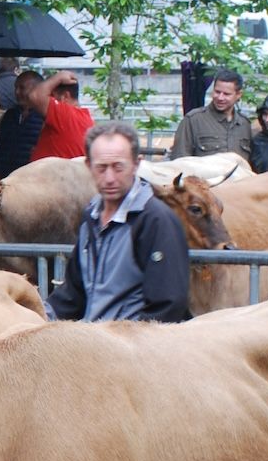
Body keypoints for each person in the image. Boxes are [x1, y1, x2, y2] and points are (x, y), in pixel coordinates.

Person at [48, 121, 191, 324]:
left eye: (118, 167)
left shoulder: (156, 220)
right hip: (95, 342)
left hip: (135, 348)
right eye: (101, 168)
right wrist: (36, 317)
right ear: (88, 166)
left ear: (136, 164)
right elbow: (72, 296)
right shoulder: (91, 217)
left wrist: (124, 348)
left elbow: (168, 304)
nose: (109, 178)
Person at [168, 69, 253, 160]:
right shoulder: (194, 120)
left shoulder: (245, 125)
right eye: (217, 92)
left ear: (238, 95)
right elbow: (179, 160)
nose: (220, 98)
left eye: (226, 94)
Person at [27, 69, 95, 163]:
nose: (48, 101)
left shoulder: (65, 115)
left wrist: (59, 76)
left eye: (51, 96)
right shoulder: (83, 118)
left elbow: (35, 96)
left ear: (65, 96)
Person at [0, 67, 44, 177]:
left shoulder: (45, 117)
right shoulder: (10, 115)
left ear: (37, 89)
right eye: (16, 87)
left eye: (22, 88)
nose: (17, 92)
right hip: (7, 178)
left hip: (34, 177)